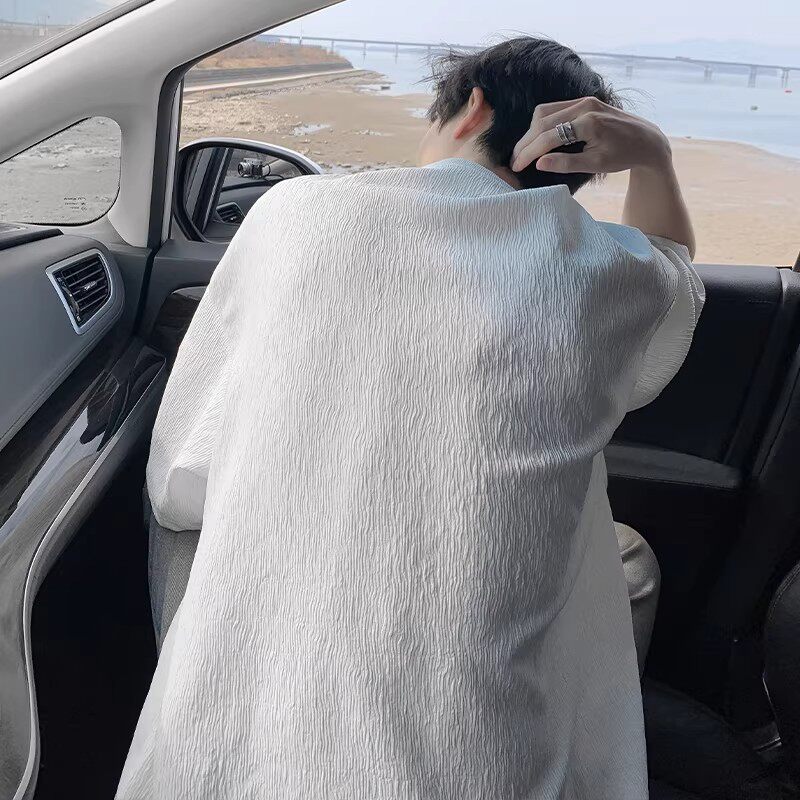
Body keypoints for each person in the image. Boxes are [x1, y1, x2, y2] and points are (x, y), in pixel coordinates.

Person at [118, 36, 703, 800]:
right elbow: (674, 274)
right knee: (609, 561)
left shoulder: (292, 212)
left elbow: (181, 475)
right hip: (483, 760)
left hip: (228, 759)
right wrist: (653, 158)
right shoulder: (606, 271)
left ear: (472, 107)